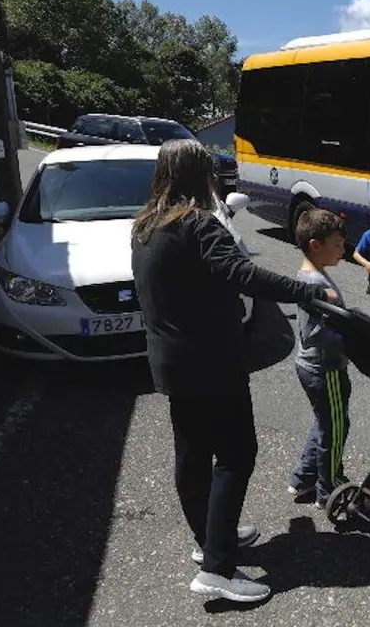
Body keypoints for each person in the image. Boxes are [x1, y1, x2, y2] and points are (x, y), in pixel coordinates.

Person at [131, 139, 332, 603]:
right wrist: (306, 291)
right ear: (201, 175)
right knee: (237, 455)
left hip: (171, 360)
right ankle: (218, 568)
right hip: (211, 361)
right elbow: (243, 273)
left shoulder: (145, 226)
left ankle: (209, 539)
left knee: (193, 455)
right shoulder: (198, 223)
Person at [286, 207, 354, 508]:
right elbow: (312, 333)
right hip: (325, 368)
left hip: (312, 366)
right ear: (315, 245)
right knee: (337, 428)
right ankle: (330, 488)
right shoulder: (316, 284)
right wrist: (349, 339)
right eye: (337, 244)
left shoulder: (310, 274)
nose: (343, 250)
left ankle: (304, 476)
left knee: (325, 422)